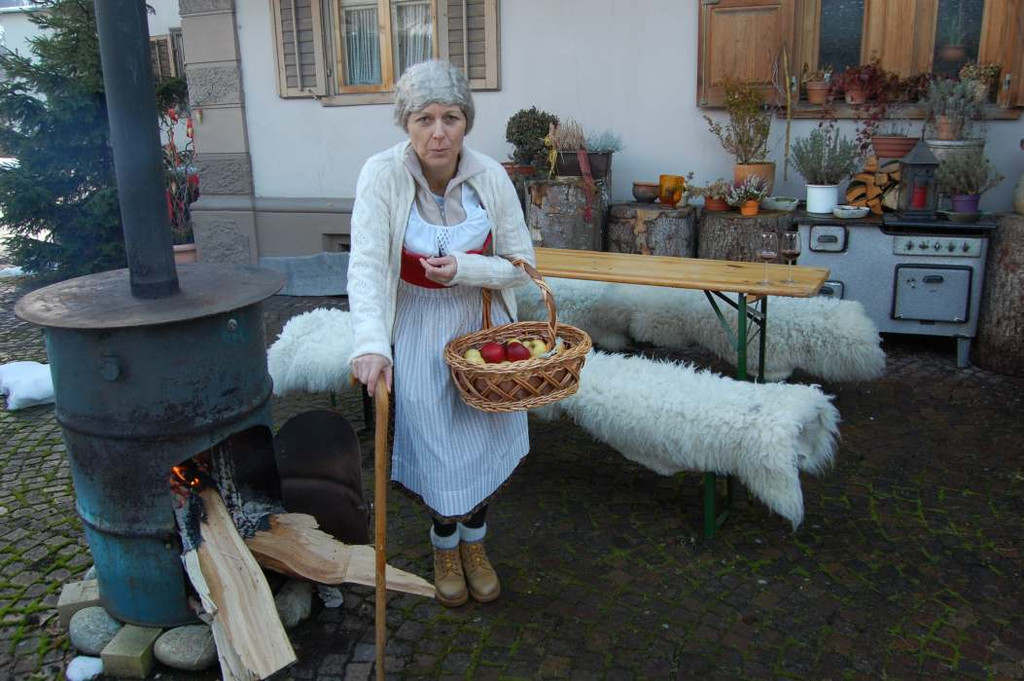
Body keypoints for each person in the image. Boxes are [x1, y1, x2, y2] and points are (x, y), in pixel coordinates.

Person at [347, 60, 535, 608]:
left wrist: (466, 269)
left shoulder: (490, 177)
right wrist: (371, 344)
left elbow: (523, 265)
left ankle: (476, 545)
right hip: (419, 323)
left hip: (481, 325)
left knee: (483, 438)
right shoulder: (381, 175)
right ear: (405, 123)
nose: (438, 133)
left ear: (466, 122)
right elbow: (366, 266)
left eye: (450, 118)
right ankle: (444, 546)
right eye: (424, 119)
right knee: (437, 445)